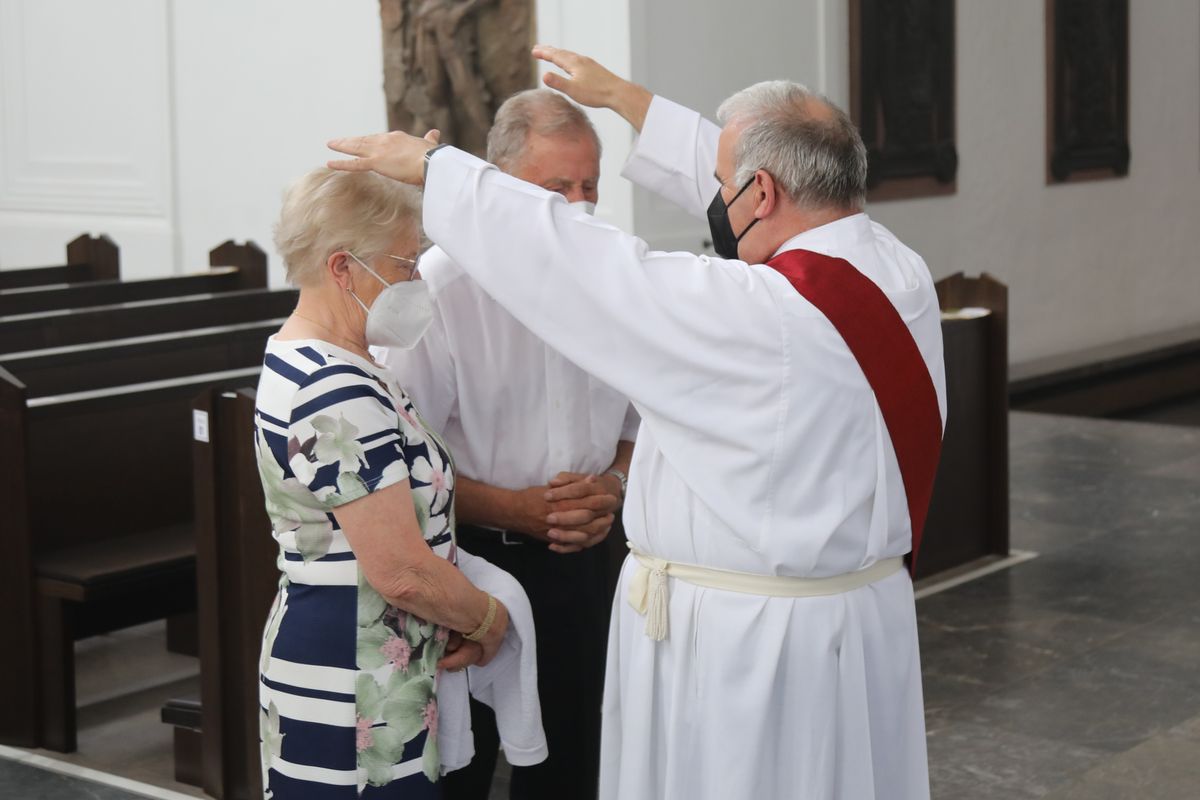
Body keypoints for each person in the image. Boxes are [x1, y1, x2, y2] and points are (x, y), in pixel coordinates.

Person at [326, 43, 947, 800]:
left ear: (759, 191)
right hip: (857, 617)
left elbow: (582, 262)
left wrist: (439, 172)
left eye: (723, 185)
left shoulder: (754, 313)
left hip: (750, 647)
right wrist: (628, 100)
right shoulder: (894, 272)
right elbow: (769, 176)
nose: (713, 199)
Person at [377, 88, 637, 800]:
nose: (577, 207)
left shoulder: (617, 277)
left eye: (589, 186)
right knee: (460, 769)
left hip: (591, 561)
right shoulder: (439, 289)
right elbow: (403, 462)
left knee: (575, 762)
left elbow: (642, 427)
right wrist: (513, 509)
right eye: (557, 189)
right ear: (497, 186)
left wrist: (612, 486)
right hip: (473, 562)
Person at [254, 166, 516, 798]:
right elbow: (400, 571)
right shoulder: (332, 387)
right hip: (353, 673)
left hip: (367, 654)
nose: (416, 280)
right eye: (404, 264)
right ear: (343, 268)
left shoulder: (332, 360)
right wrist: (488, 620)